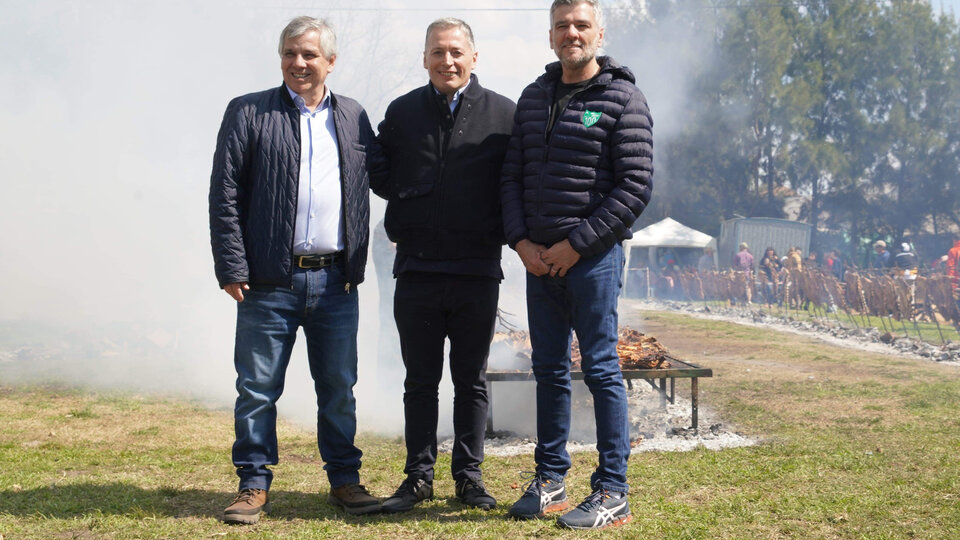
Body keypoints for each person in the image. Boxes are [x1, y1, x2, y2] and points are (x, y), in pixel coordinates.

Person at [209, 16, 380, 524]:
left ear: (330, 62)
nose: (298, 63)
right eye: (290, 53)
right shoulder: (248, 111)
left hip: (335, 281)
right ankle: (253, 484)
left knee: (338, 387)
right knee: (257, 388)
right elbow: (225, 195)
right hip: (268, 281)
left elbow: (382, 176)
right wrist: (232, 265)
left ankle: (345, 481)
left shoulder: (352, 116)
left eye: (309, 55)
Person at [500, 0, 653, 529]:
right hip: (538, 263)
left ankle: (613, 490)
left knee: (602, 370)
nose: (572, 33)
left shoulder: (622, 99)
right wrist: (521, 244)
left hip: (592, 262)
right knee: (548, 371)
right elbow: (511, 178)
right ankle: (551, 482)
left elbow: (634, 187)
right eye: (562, 25)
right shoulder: (533, 98)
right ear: (550, 36)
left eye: (581, 25)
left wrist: (577, 246)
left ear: (599, 33)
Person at [368, 18, 515, 513]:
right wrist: (413, 201)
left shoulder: (504, 114)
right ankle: (418, 477)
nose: (446, 61)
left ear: (474, 57)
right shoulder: (403, 111)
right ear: (425, 58)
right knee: (419, 380)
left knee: (470, 381)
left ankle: (469, 478)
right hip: (417, 270)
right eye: (436, 52)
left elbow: (511, 185)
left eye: (455, 52)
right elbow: (380, 170)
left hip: (476, 271)